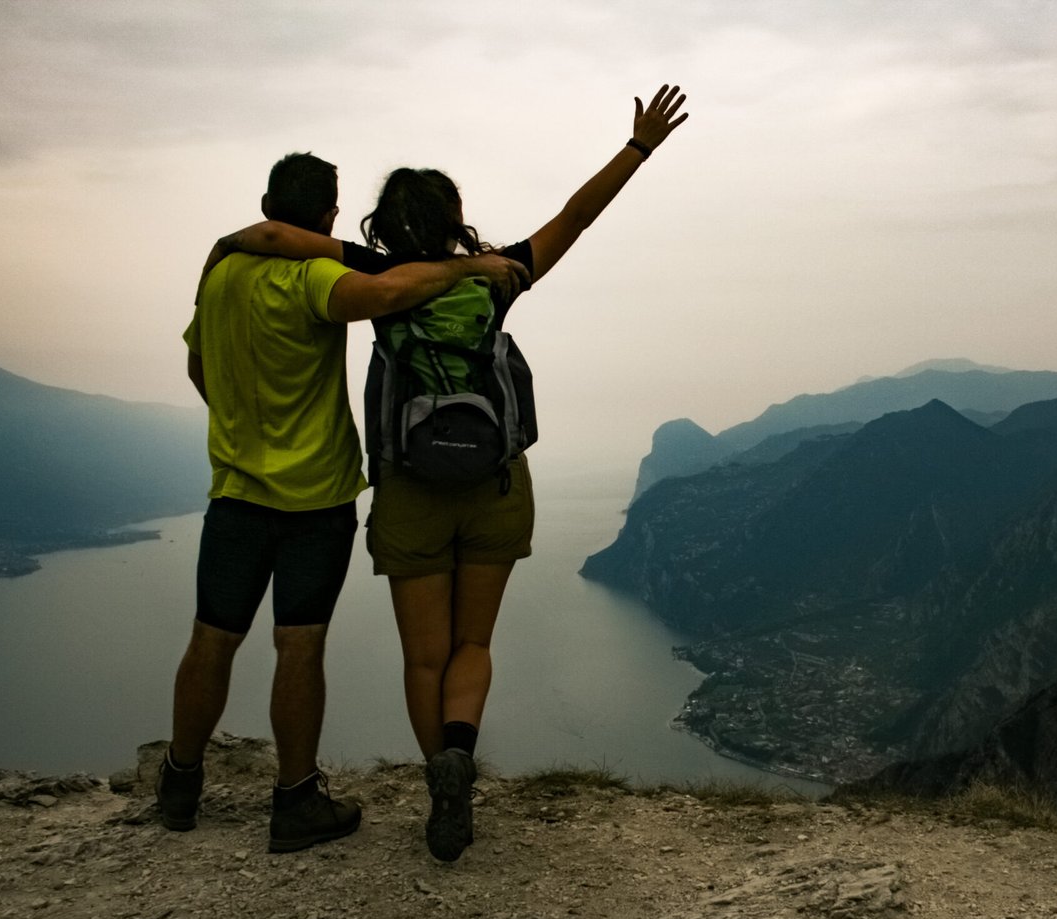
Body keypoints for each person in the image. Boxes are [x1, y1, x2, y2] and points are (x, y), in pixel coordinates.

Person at [212, 86, 690, 861]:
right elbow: (576, 215)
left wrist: (227, 246)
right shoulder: (496, 277)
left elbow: (276, 233)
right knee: (473, 644)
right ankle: (461, 760)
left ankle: (442, 778)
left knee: (424, 655)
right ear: (452, 215)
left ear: (384, 224)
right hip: (496, 485)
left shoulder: (379, 277)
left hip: (410, 489)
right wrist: (638, 148)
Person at [159, 151, 530, 853]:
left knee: (212, 635)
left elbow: (197, 364)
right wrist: (470, 266)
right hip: (316, 497)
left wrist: (237, 423)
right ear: (329, 214)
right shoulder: (318, 280)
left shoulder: (220, 279)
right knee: (298, 644)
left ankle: (180, 782)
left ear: (267, 200)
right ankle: (295, 798)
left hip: (235, 490)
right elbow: (392, 294)